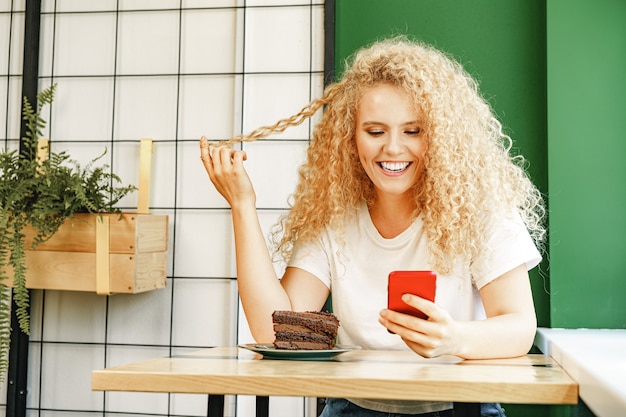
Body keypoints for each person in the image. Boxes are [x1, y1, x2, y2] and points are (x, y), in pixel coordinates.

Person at [200, 36, 546, 417]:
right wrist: (242, 204)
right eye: (375, 131)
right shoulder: (332, 217)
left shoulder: (481, 209)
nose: (393, 148)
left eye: (413, 131)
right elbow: (273, 333)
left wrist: (454, 338)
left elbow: (519, 327)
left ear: (442, 136)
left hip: (462, 406)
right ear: (351, 138)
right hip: (352, 406)